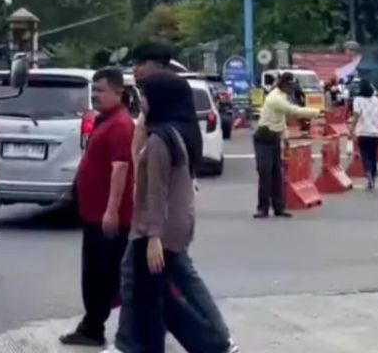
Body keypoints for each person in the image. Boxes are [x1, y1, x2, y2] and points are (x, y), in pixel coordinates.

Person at [114, 71, 232, 353]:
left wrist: (154, 236)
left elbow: (156, 191)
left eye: (146, 98)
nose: (142, 104)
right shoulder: (178, 134)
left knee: (148, 289)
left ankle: (214, 342)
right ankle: (210, 340)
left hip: (156, 227)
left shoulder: (158, 141)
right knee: (158, 287)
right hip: (175, 223)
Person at [60, 68, 135, 348]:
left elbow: (121, 169)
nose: (96, 96)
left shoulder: (120, 125)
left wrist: (111, 211)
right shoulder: (105, 121)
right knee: (96, 275)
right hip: (93, 215)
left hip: (108, 217)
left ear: (118, 92)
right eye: (94, 91)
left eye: (101, 90)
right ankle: (92, 326)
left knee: (104, 277)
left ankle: (95, 327)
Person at [253, 72, 321, 217]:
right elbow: (293, 111)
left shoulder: (282, 96)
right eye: (290, 85)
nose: (292, 88)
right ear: (283, 84)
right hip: (264, 138)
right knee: (265, 174)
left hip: (274, 137)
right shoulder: (275, 98)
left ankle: (279, 207)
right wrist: (317, 112)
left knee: (277, 174)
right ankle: (262, 208)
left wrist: (285, 137)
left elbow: (280, 118)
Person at [348, 80, 378, 190]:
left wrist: (351, 129)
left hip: (363, 132)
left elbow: (356, 115)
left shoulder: (357, 100)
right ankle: (373, 179)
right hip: (375, 133)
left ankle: (367, 172)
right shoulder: (376, 100)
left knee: (365, 155)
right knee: (374, 156)